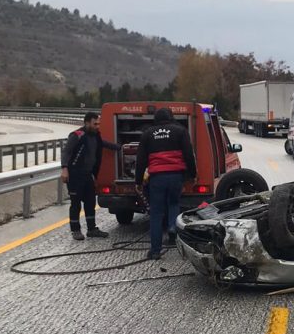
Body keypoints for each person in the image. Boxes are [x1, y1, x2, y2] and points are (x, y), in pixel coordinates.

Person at [135, 108, 197, 260]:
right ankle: (172, 228)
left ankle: (155, 251)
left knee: (156, 213)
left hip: (157, 178)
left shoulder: (148, 134)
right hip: (176, 176)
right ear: (171, 118)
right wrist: (192, 174)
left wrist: (138, 181)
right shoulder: (180, 131)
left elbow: (141, 160)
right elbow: (189, 154)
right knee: (174, 204)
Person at [61, 112, 120, 241]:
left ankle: (92, 229)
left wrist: (118, 147)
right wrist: (64, 169)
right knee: (75, 203)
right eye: (95, 124)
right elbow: (66, 152)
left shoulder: (95, 136)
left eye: (99, 124)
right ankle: (75, 230)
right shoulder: (76, 135)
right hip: (75, 175)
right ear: (87, 123)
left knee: (90, 202)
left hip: (88, 175)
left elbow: (103, 144)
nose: (97, 126)